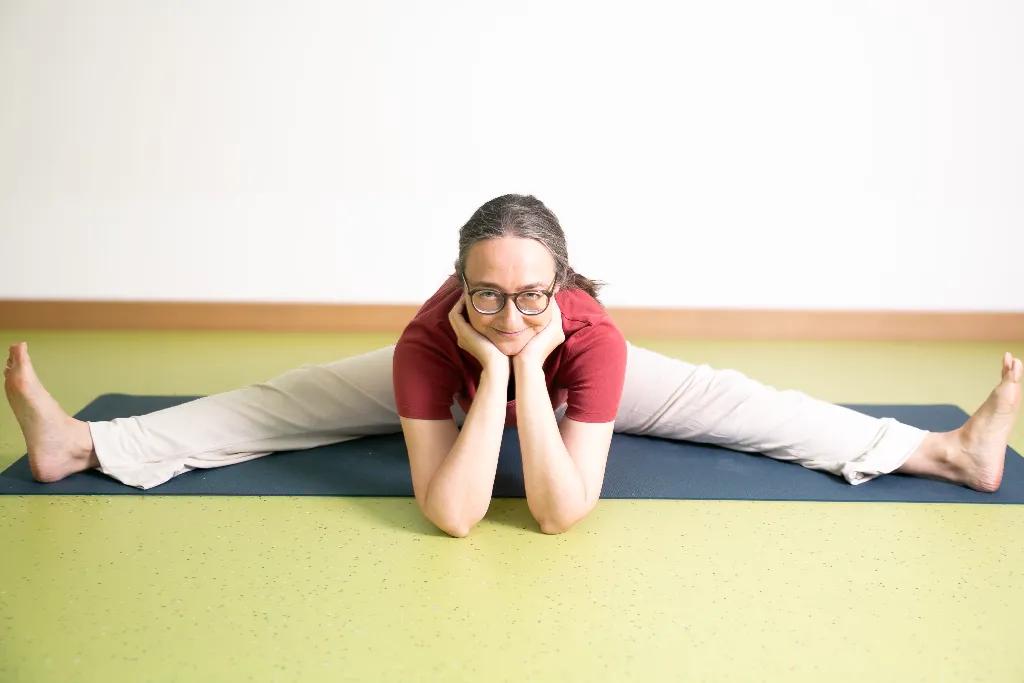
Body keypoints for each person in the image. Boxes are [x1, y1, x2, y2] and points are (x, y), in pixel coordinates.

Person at [5, 194, 1022, 537]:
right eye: (482, 293)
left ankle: (944, 453)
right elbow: (451, 514)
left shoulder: (590, 337)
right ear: (455, 286)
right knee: (288, 400)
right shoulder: (428, 337)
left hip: (573, 374)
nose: (503, 311)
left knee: (738, 402)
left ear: (563, 286)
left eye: (528, 294)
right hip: (459, 375)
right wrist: (488, 368)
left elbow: (557, 508)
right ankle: (82, 440)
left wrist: (534, 363)